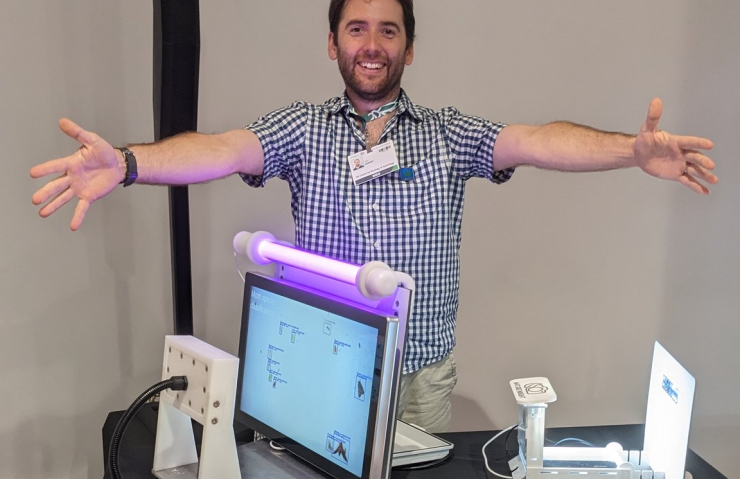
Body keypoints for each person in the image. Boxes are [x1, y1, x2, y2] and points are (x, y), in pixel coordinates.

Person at [30, 0, 717, 433]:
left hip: (419, 372)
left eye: (389, 30)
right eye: (356, 27)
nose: (372, 42)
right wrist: (128, 163)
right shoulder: (299, 129)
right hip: (320, 364)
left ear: (408, 48)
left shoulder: (447, 133)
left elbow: (538, 140)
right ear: (333, 44)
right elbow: (219, 149)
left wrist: (629, 151)